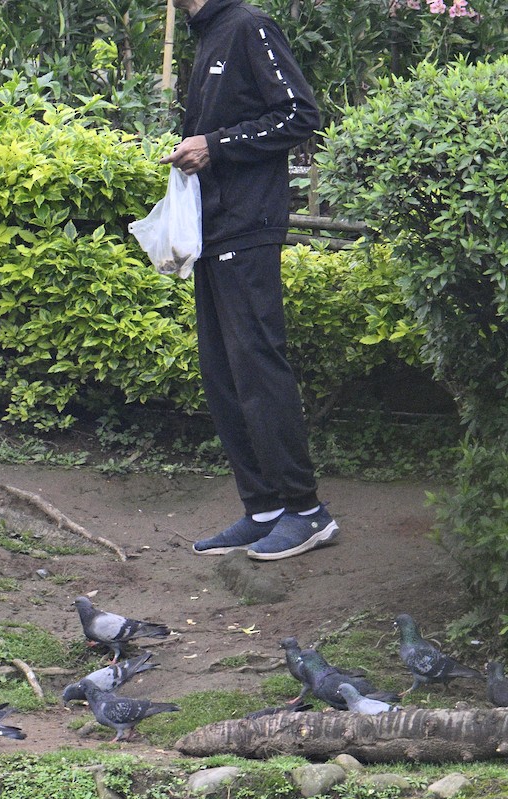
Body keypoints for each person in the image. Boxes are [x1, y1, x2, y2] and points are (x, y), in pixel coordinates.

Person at [159, 0, 335, 560]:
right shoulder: (207, 34)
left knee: (258, 368)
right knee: (223, 372)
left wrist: (215, 145)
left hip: (248, 228)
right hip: (212, 230)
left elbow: (300, 114)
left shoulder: (250, 26)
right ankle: (263, 509)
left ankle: (306, 512)